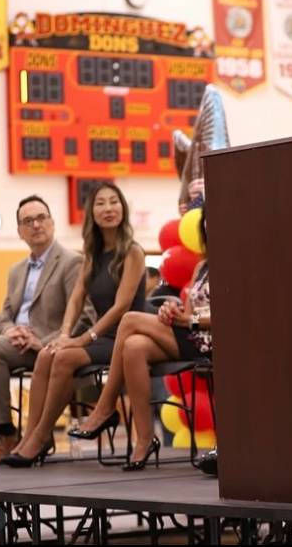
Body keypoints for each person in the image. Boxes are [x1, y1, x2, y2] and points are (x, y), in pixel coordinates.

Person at [3, 182, 146, 467]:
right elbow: (77, 300)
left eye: (114, 202)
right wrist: (65, 334)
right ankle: (33, 435)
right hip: (100, 337)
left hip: (124, 337)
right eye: (100, 203)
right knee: (48, 353)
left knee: (65, 358)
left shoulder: (132, 252)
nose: (108, 209)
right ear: (91, 213)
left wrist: (81, 339)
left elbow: (121, 307)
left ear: (123, 208)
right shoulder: (90, 254)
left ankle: (41, 434)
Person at [70, 202, 209, 471]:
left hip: (213, 341)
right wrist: (173, 311)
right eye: (207, 224)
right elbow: (188, 309)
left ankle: (104, 407)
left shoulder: (239, 263)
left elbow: (233, 315)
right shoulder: (202, 265)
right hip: (189, 336)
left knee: (130, 318)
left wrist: (189, 320)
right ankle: (145, 439)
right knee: (133, 346)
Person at [0, 196, 93, 466]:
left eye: (41, 218)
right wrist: (12, 329)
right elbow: (4, 313)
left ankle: (5, 433)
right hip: (15, 344)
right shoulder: (17, 270)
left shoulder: (71, 262)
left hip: (49, 346)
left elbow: (85, 316)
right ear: (19, 231)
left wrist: (43, 341)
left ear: (52, 223)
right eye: (28, 221)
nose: (36, 225)